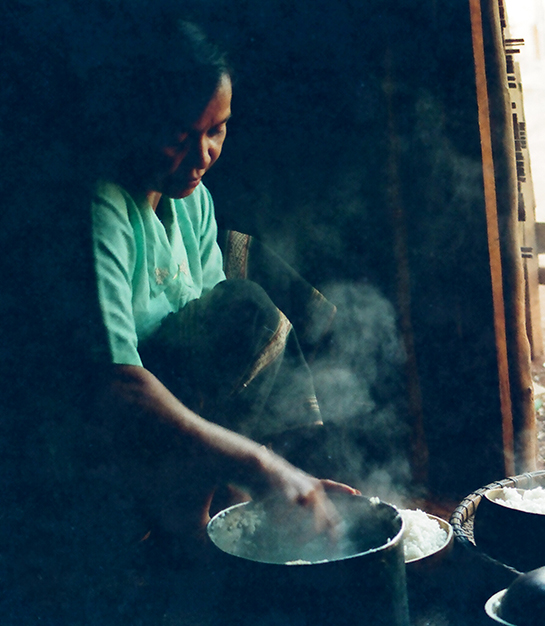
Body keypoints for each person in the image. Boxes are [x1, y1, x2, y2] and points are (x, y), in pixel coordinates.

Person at [85, 16, 358, 563]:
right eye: (179, 136)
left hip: (187, 402)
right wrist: (261, 465)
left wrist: (268, 470)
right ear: (134, 121)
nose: (203, 154)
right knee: (249, 309)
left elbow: (222, 353)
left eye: (217, 130)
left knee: (257, 300)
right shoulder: (103, 208)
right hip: (118, 431)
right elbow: (117, 380)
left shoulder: (193, 201)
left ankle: (231, 490)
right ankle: (181, 508)